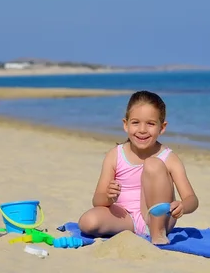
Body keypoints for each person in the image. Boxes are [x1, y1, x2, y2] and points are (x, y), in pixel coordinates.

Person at [78, 90, 199, 245]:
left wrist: (183, 206)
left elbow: (192, 199)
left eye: (150, 123)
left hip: (159, 219)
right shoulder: (115, 155)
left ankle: (157, 232)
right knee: (88, 222)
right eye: (135, 122)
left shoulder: (168, 158)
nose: (142, 130)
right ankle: (137, 231)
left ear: (162, 127)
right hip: (125, 218)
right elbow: (97, 200)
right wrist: (109, 197)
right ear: (125, 125)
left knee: (152, 163)